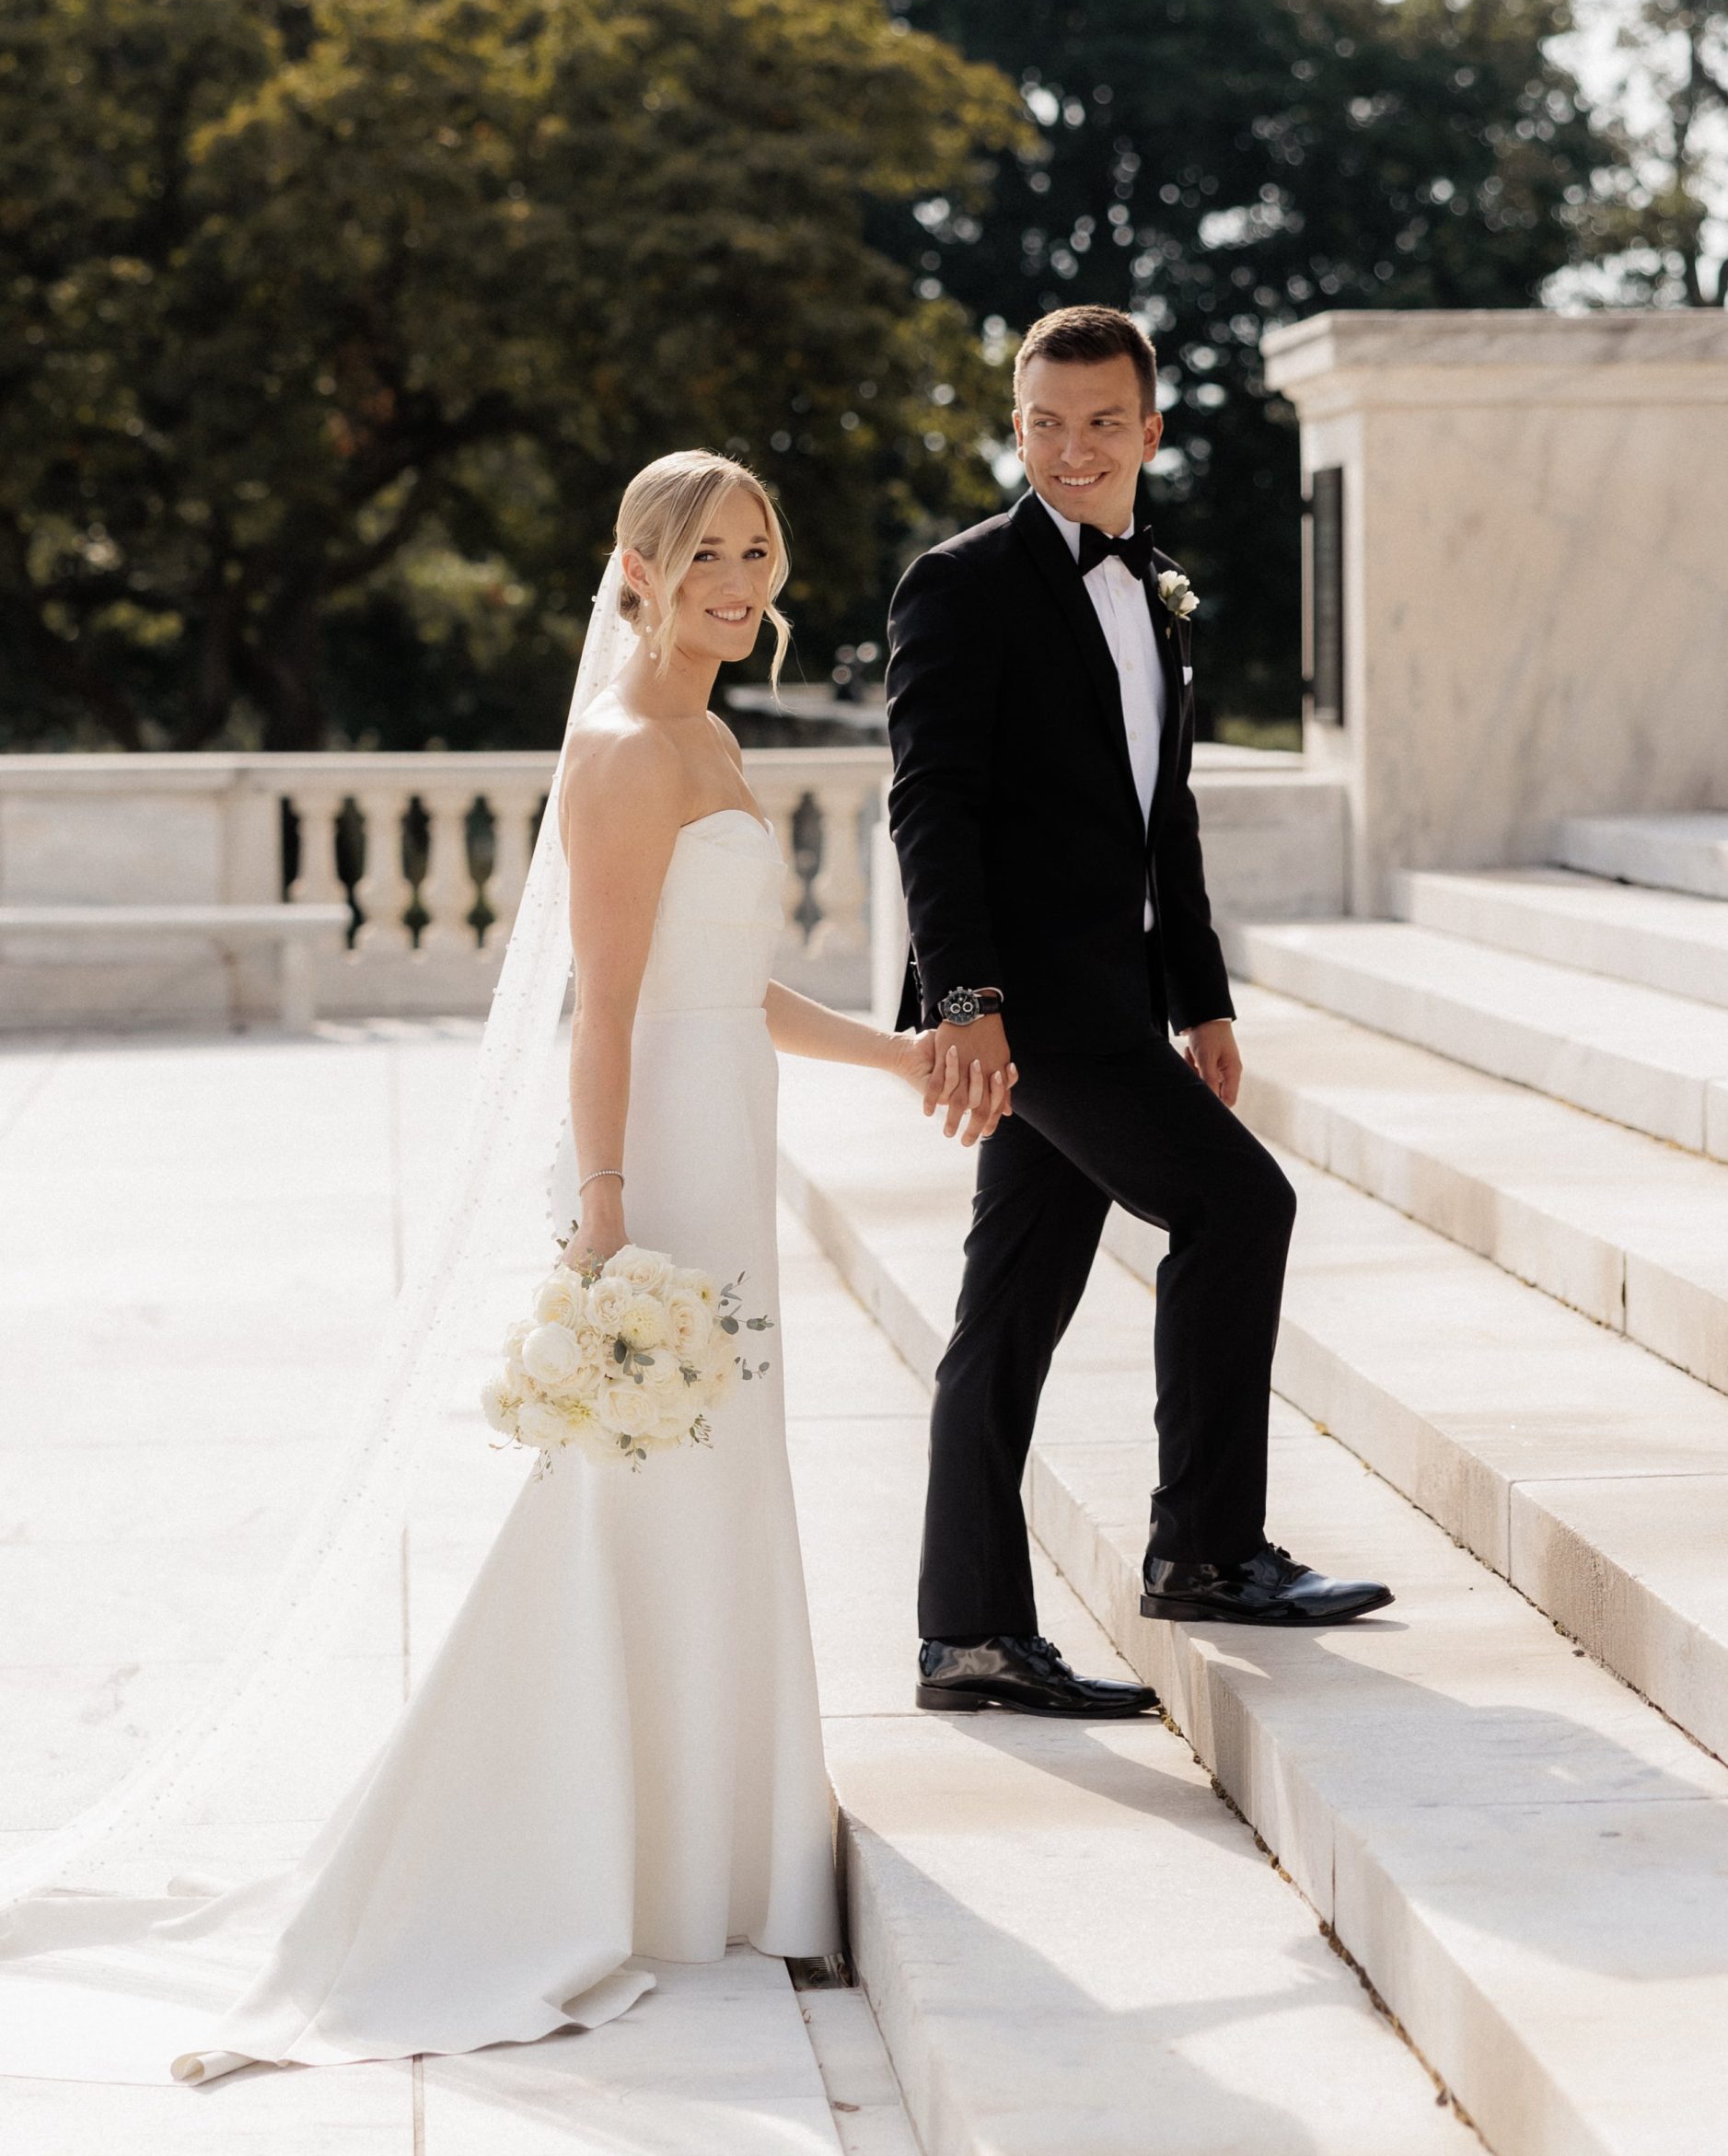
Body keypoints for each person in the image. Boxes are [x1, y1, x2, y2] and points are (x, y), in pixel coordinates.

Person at [0, 448, 1004, 2084]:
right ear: (635, 568)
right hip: (653, 1155)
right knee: (630, 1490)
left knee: (718, 1477)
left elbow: (729, 986)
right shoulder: (621, 751)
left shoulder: (710, 732)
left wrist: (900, 1063)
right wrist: (605, 1208)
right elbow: (601, 1008)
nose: (737, 584)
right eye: (703, 558)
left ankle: (721, 1846)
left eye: (756, 553)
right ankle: (568, 1848)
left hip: (723, 1121)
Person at [886, 305, 1394, 1721]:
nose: (1068, 448)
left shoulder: (1155, 583)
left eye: (1100, 420)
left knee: (1009, 1313)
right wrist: (968, 1002)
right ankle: (1207, 1552)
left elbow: (1161, 811)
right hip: (1033, 1017)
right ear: (1015, 421)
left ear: (1149, 431)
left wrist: (1203, 997)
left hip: (1118, 997)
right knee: (1240, 1210)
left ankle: (971, 1636)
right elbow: (928, 805)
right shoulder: (961, 582)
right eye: (1042, 420)